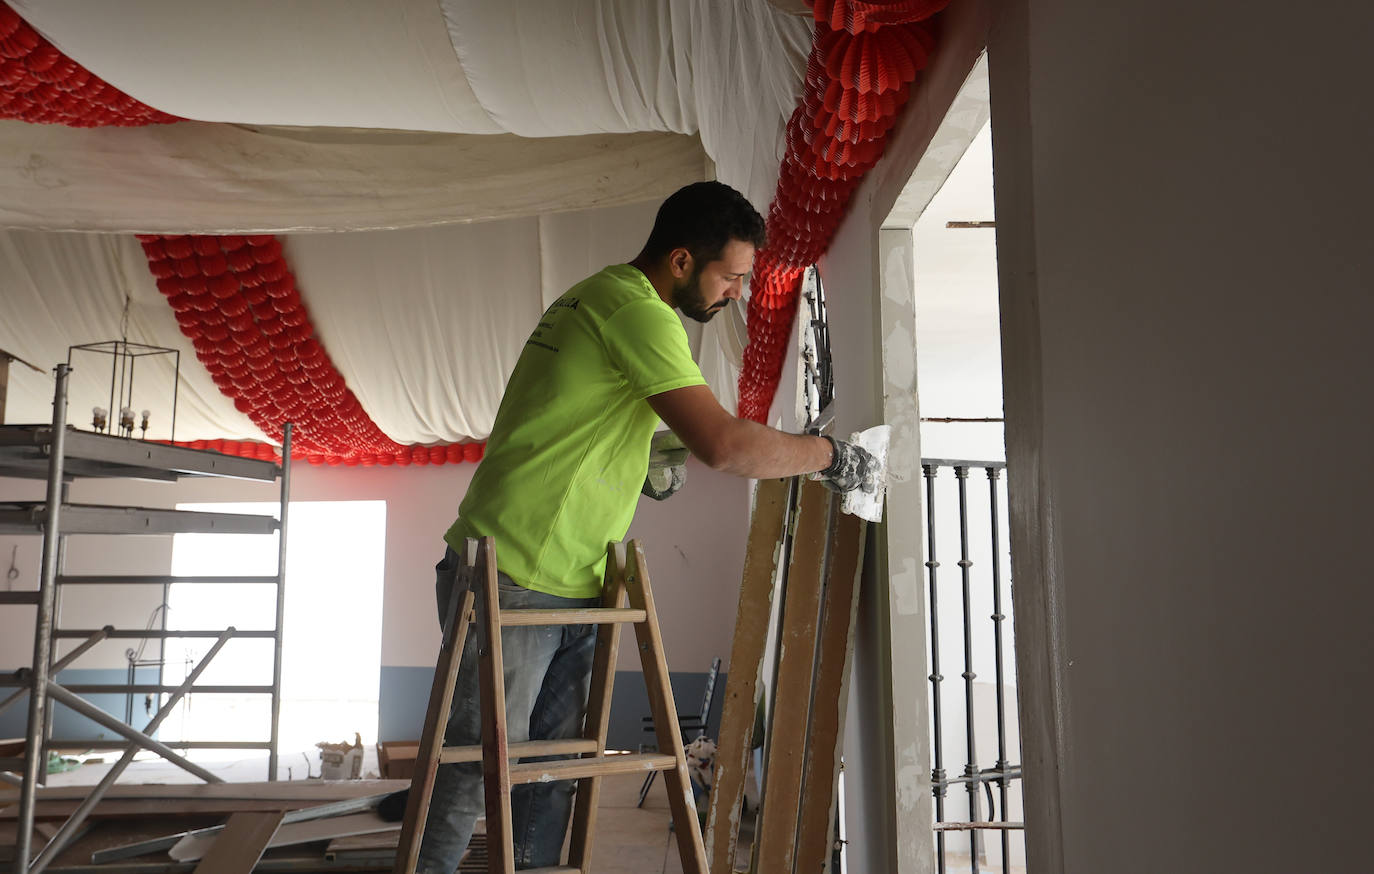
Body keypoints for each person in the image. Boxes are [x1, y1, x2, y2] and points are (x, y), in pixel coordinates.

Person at [417, 181, 877, 872]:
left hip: (568, 574)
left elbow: (577, 424)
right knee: (475, 766)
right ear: (684, 261)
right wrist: (832, 456)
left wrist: (638, 460)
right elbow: (722, 445)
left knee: (555, 771)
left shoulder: (597, 295)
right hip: (515, 569)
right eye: (731, 277)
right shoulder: (639, 313)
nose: (736, 294)